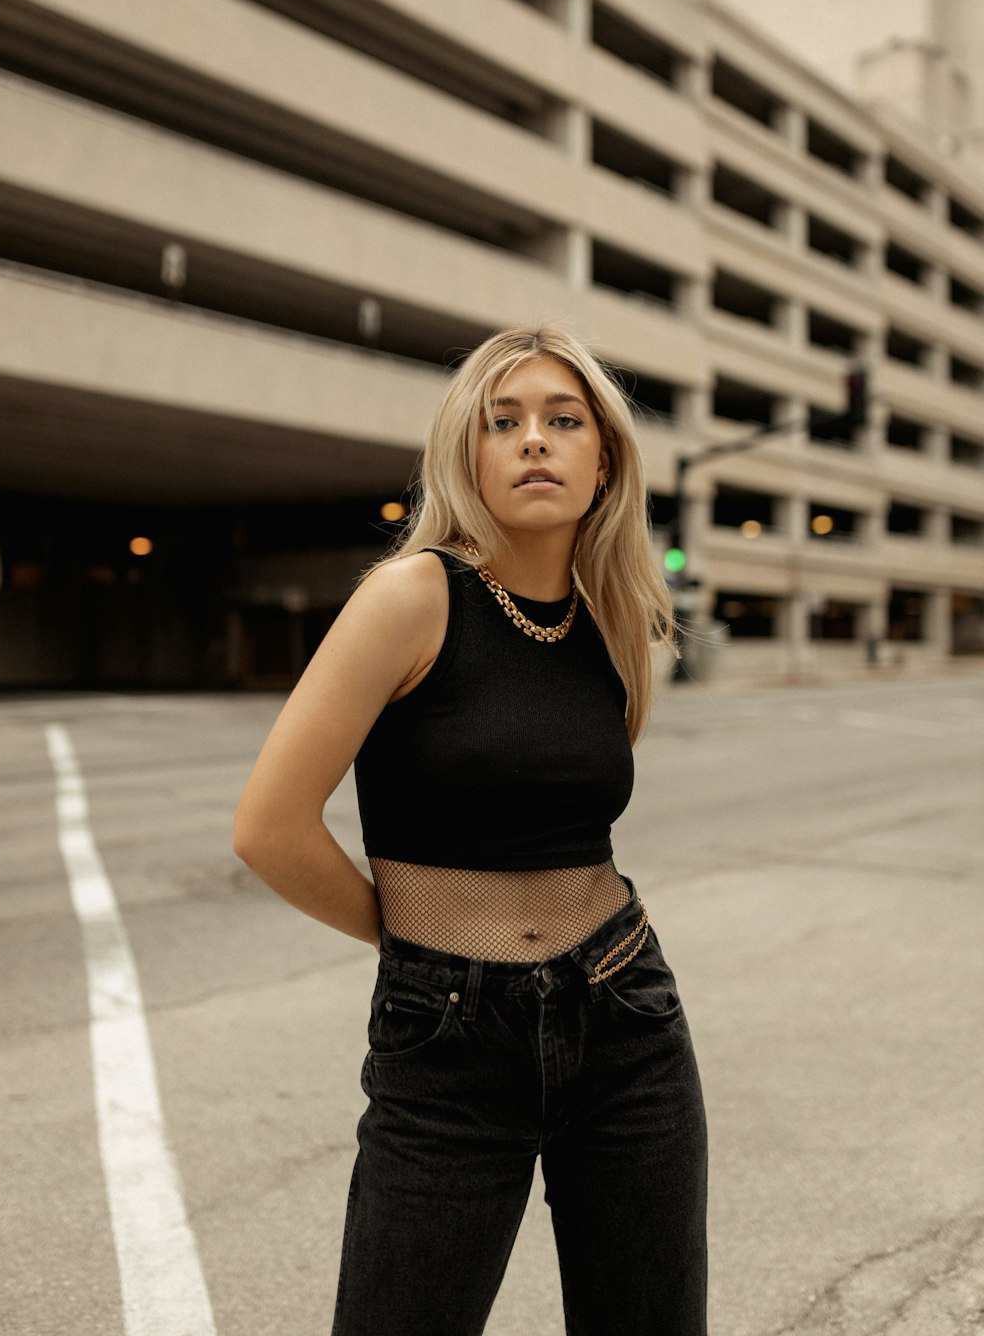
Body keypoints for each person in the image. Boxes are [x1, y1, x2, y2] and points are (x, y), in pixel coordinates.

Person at [232, 325, 708, 1335]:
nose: (534, 440)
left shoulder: (612, 617)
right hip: (444, 1036)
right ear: (471, 454)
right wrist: (420, 953)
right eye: (505, 422)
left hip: (623, 1015)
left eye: (562, 420)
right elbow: (268, 826)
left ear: (604, 457)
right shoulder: (411, 597)